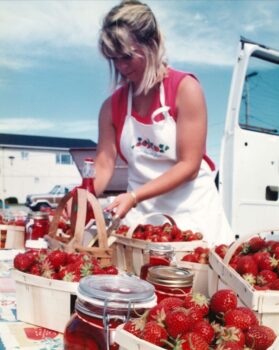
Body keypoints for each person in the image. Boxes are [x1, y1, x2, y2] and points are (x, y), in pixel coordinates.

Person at [94, 0, 234, 246]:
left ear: (153, 44)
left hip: (193, 215)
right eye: (113, 59)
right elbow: (104, 165)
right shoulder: (111, 106)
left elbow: (189, 165)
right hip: (143, 221)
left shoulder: (185, 89)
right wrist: (82, 197)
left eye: (127, 56)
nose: (121, 66)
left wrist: (135, 196)